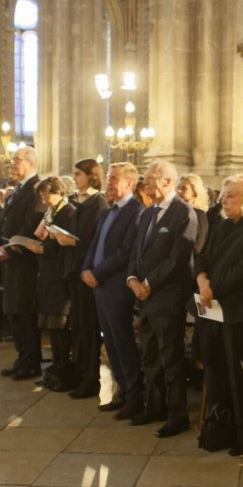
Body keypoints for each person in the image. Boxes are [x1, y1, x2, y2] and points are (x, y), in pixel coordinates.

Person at [194, 175, 243, 454]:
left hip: (240, 313)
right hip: (213, 309)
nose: (224, 200)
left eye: (231, 195)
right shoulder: (220, 224)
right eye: (224, 195)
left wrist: (213, 288)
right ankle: (220, 426)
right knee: (214, 369)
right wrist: (202, 281)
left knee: (240, 373)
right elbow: (202, 257)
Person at [128, 161, 198, 437]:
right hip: (144, 298)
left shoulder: (184, 213)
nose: (146, 183)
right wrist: (132, 279)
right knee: (150, 356)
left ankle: (177, 414)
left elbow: (178, 259)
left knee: (171, 358)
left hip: (167, 298)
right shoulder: (147, 213)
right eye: (145, 178)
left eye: (151, 178)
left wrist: (148, 282)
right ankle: (153, 407)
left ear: (168, 181)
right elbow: (136, 251)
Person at [82, 162, 146, 417]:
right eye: (108, 178)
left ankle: (134, 398)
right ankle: (121, 393)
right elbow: (94, 244)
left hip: (116, 287)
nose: (108, 183)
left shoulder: (136, 211)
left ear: (129, 183)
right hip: (100, 286)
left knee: (122, 343)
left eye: (113, 179)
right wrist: (86, 268)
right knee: (110, 343)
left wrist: (96, 273)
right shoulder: (108, 212)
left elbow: (125, 252)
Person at [66, 159, 110, 399]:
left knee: (88, 327)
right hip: (74, 270)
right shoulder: (78, 201)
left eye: (78, 174)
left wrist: (73, 242)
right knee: (78, 326)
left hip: (88, 273)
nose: (75, 178)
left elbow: (95, 241)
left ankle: (91, 378)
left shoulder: (98, 203)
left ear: (91, 176)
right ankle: (80, 373)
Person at [0, 147, 43, 380]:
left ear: (30, 163)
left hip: (25, 262)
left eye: (16, 160)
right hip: (11, 259)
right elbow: (6, 222)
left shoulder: (35, 189)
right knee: (14, 312)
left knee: (24, 313)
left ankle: (31, 361)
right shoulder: (18, 189)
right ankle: (21, 357)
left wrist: (11, 251)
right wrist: (0, 245)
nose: (12, 164)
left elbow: (31, 223)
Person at [31, 176, 80, 389]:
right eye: (41, 195)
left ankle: (64, 370)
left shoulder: (68, 212)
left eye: (46, 194)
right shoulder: (50, 213)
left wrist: (43, 249)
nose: (44, 199)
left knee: (60, 326)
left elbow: (66, 244)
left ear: (59, 192)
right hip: (47, 274)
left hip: (60, 275)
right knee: (50, 325)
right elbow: (42, 235)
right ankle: (55, 367)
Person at [177, 173, 211, 255]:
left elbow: (198, 246)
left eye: (184, 188)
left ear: (195, 192)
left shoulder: (199, 215)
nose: (179, 191)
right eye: (179, 188)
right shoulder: (178, 213)